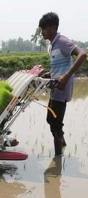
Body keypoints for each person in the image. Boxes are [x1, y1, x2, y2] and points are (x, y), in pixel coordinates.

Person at [38, 12, 87, 156]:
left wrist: (65, 77)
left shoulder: (62, 41)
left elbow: (82, 54)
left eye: (44, 29)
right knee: (50, 119)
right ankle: (62, 142)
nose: (42, 32)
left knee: (55, 125)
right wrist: (49, 74)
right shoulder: (52, 45)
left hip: (62, 89)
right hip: (55, 89)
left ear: (52, 28)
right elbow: (59, 66)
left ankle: (58, 160)